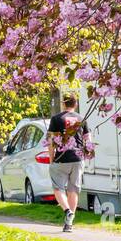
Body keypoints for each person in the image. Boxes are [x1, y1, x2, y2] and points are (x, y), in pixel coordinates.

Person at [47, 95, 87, 232]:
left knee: (58, 188)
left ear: (64, 104)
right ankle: (69, 224)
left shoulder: (56, 119)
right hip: (78, 158)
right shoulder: (82, 119)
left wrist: (51, 158)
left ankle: (67, 211)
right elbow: (88, 139)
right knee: (73, 189)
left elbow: (51, 141)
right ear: (75, 104)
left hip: (61, 158)